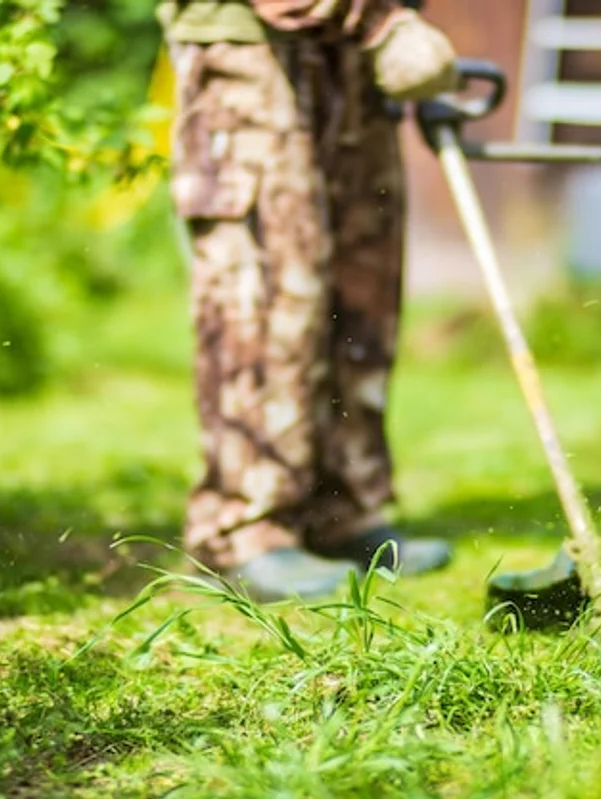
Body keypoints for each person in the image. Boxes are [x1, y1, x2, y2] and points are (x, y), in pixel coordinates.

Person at [155, 0, 460, 601]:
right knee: (269, 288)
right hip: (250, 44)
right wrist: (380, 21)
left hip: (349, 50)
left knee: (360, 281)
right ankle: (244, 530)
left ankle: (343, 509)